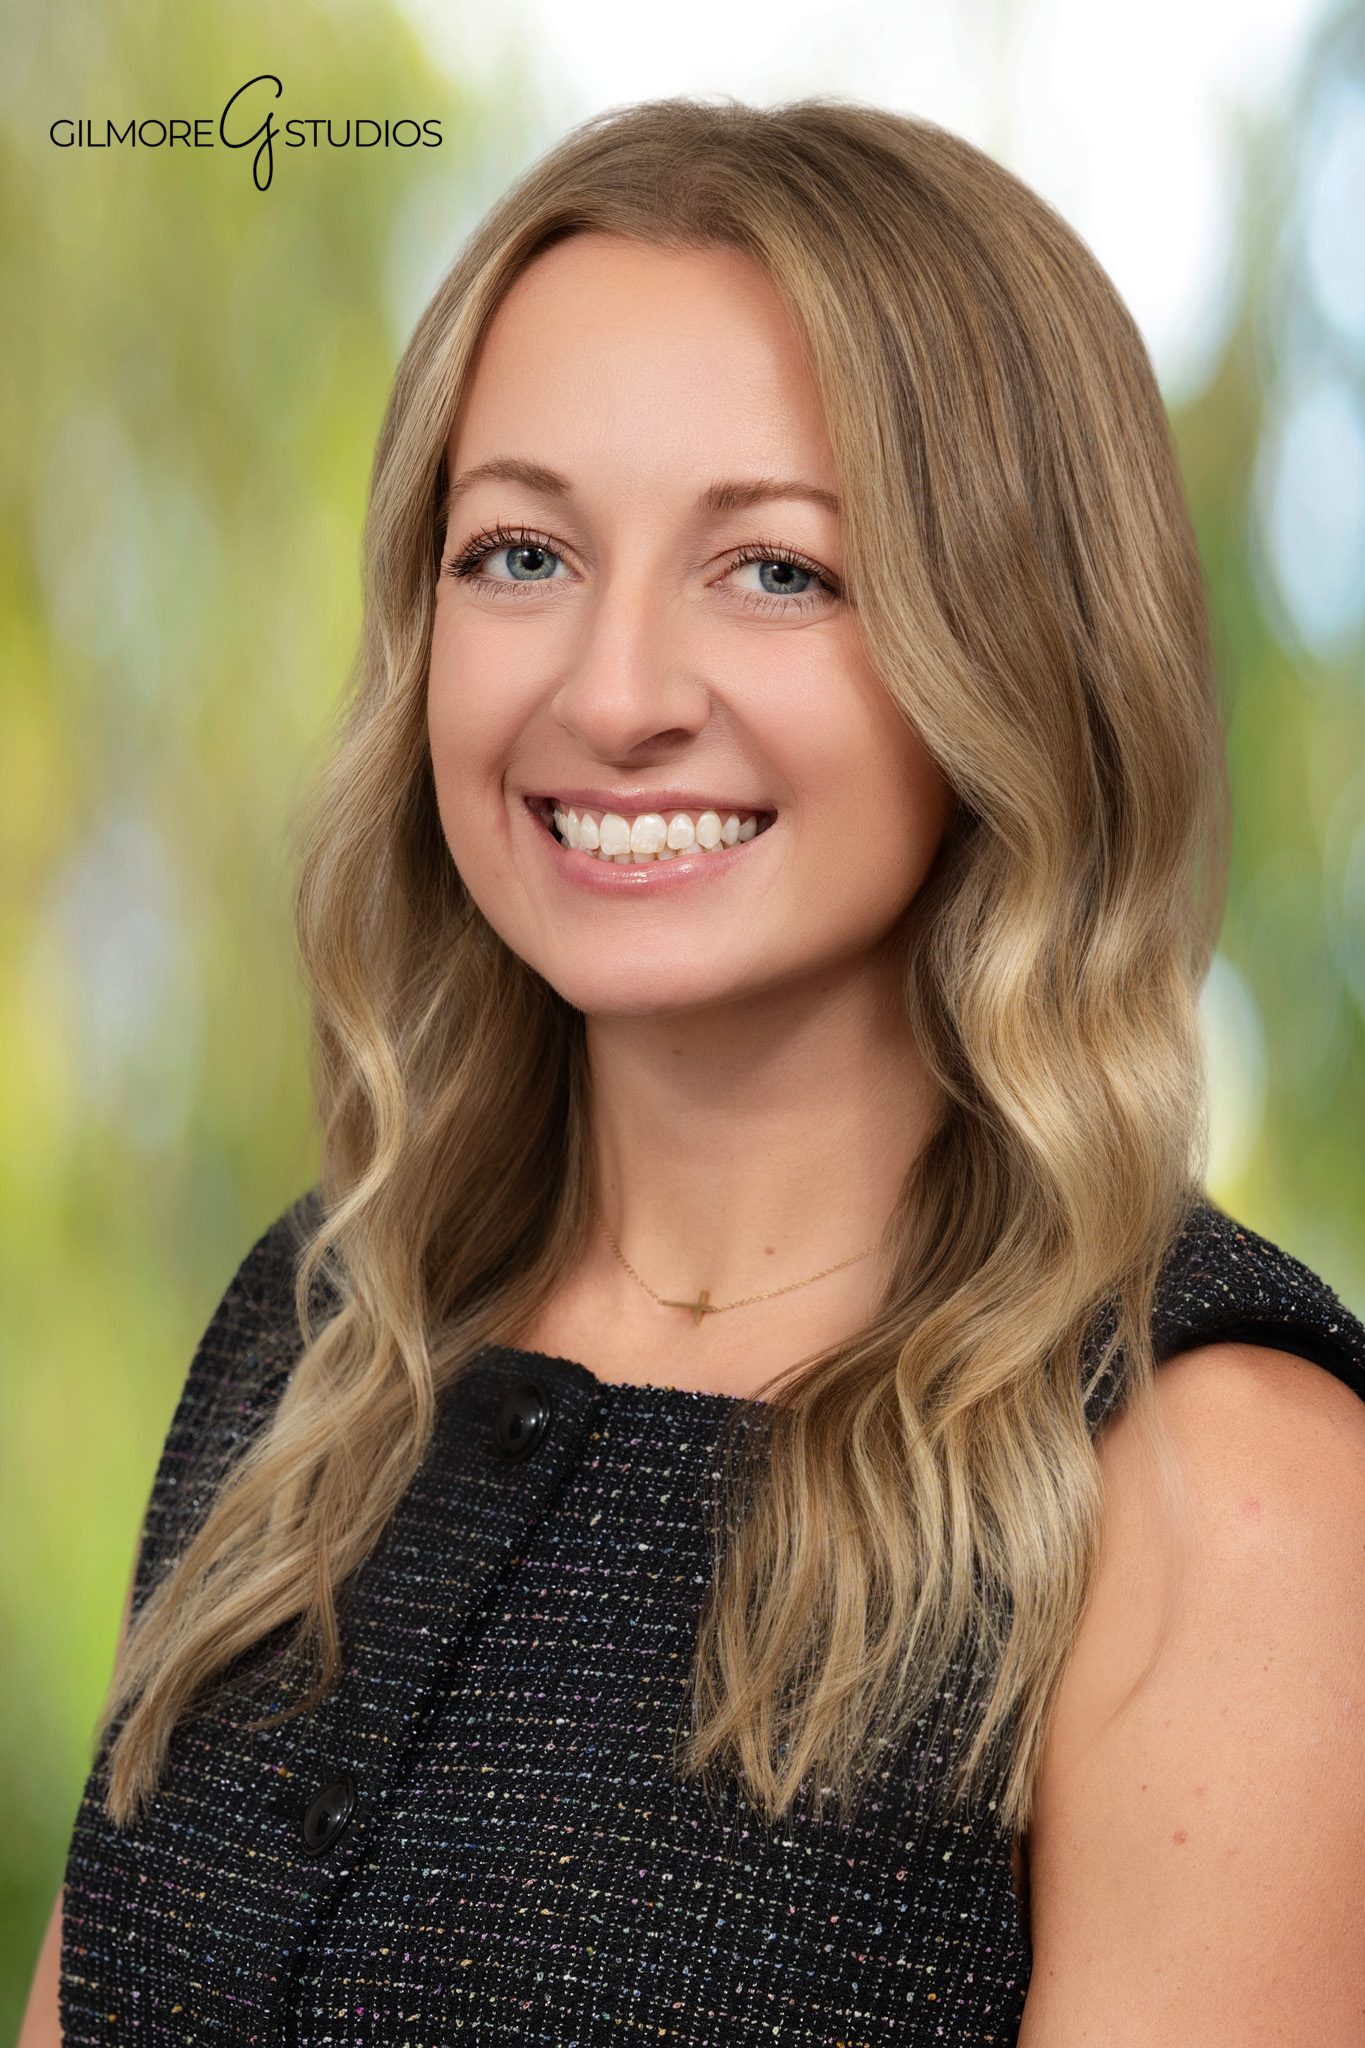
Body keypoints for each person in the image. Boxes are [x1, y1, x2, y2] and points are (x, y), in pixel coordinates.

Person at [25, 95, 1365, 2047]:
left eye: (775, 572)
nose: (613, 692)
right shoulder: (323, 1346)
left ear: (1019, 643)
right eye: (518, 553)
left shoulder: (1218, 1495)